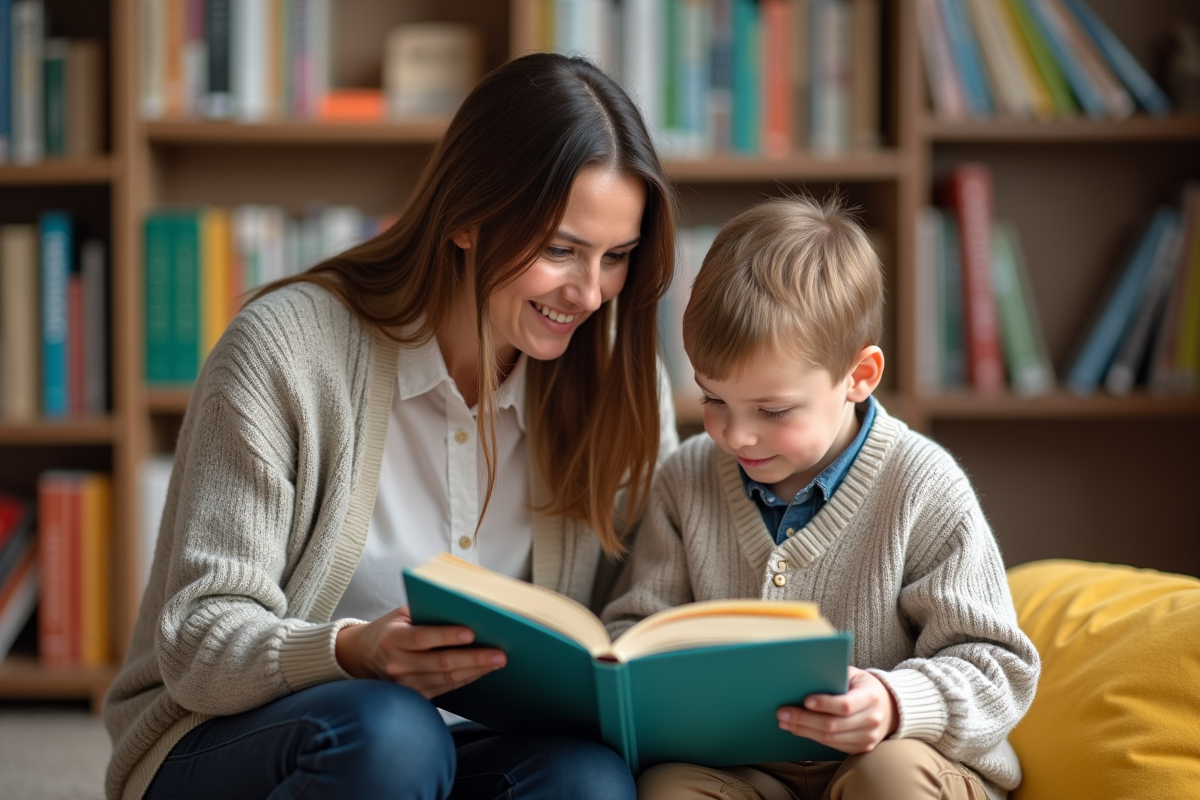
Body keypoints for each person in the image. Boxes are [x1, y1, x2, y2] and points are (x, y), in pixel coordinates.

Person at [103, 53, 680, 800]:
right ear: (469, 217)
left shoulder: (615, 382)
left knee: (589, 781)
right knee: (393, 736)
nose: (590, 293)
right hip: (243, 737)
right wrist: (353, 650)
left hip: (467, 743)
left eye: (618, 258)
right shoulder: (287, 349)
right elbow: (198, 639)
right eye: (560, 250)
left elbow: (641, 612)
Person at [602, 195, 1040, 800]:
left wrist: (892, 703)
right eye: (712, 400)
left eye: (773, 410)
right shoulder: (688, 478)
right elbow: (639, 625)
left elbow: (1000, 669)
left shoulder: (922, 484)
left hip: (896, 756)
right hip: (746, 768)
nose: (736, 434)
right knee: (669, 788)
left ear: (859, 377)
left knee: (887, 780)